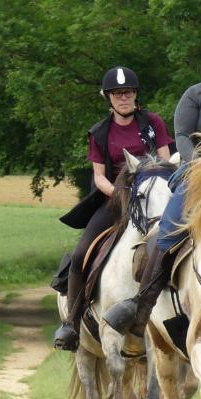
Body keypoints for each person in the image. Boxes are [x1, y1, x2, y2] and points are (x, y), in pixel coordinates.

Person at [103, 29, 201, 339]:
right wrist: (198, 168)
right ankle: (142, 304)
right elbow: (181, 137)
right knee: (168, 229)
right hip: (200, 175)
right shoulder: (195, 95)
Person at [53, 66, 171, 352]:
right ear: (109, 97)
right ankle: (72, 322)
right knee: (82, 254)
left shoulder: (153, 123)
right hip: (115, 201)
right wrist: (123, 194)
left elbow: (168, 163)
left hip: (155, 199)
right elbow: (99, 177)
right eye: (118, 94)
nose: (124, 98)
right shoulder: (100, 131)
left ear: (135, 95)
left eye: (128, 92)